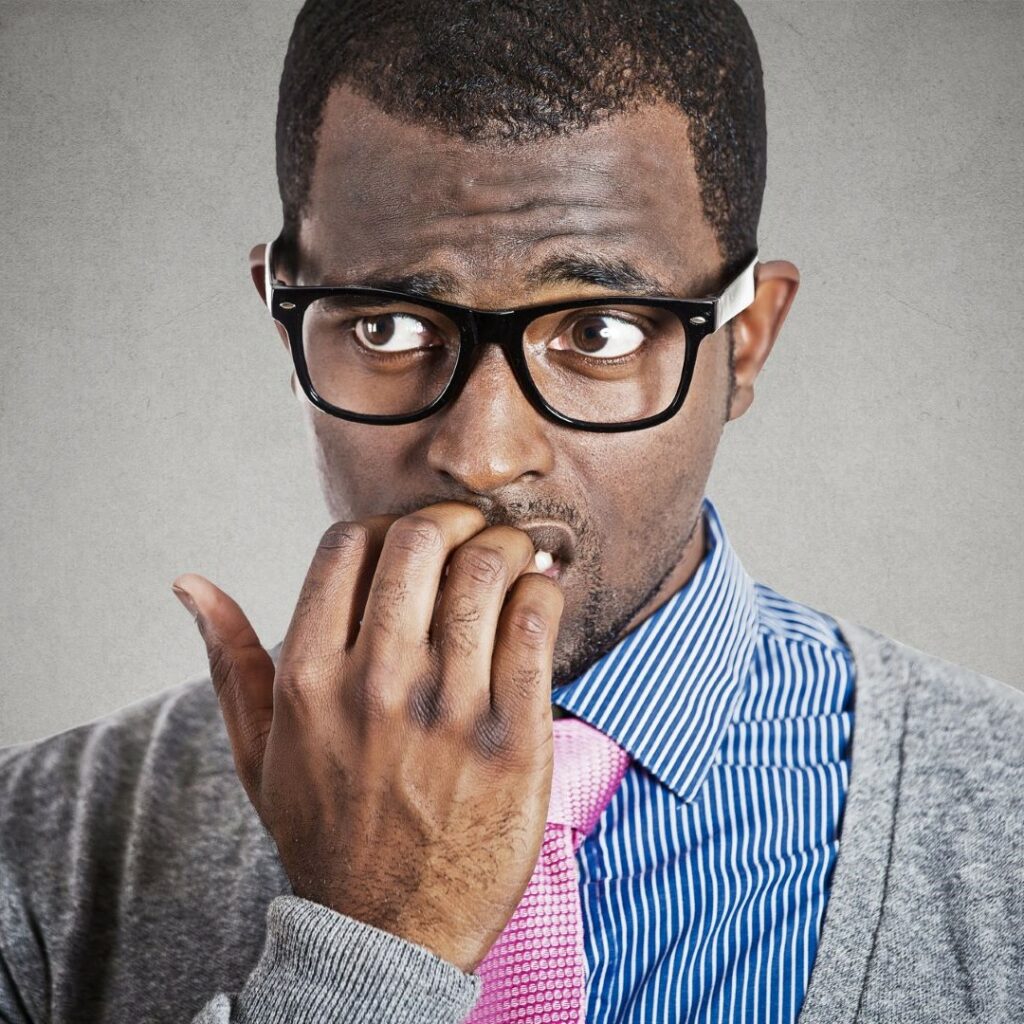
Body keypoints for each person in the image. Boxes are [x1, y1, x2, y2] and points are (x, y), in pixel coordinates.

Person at [1, 0, 1021, 1021]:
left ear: (744, 340)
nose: (483, 453)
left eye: (599, 329)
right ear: (285, 319)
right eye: (391, 325)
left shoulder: (1001, 823)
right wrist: (370, 947)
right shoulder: (39, 856)